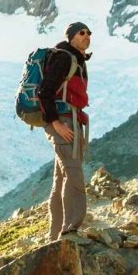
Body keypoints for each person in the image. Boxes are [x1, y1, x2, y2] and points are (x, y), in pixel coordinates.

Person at [37, 21, 91, 239]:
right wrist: (56, 123)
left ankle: (55, 234)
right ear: (70, 37)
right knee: (74, 172)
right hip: (63, 122)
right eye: (81, 33)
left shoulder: (76, 59)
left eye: (89, 33)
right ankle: (70, 229)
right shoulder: (64, 57)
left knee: (61, 177)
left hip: (71, 121)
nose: (86, 36)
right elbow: (44, 91)